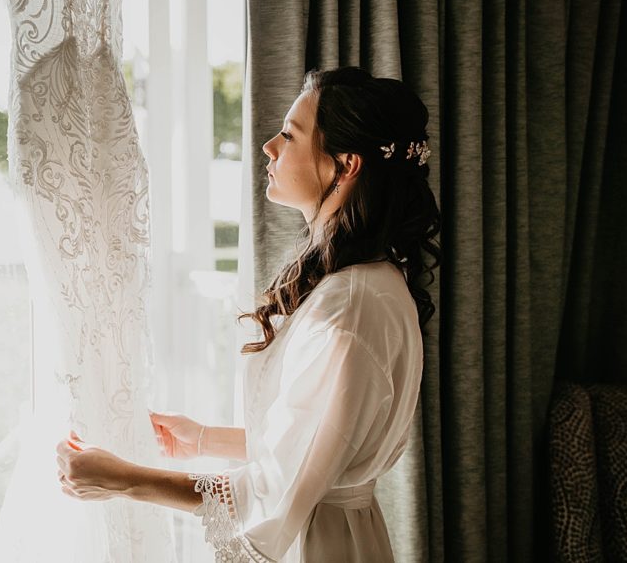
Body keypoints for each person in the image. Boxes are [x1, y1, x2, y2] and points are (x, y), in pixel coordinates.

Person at [55, 66, 441, 562]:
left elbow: (271, 493)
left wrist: (122, 480)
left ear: (344, 165)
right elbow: (320, 442)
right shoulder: (371, 284)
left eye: (290, 135)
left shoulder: (347, 309)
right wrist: (204, 439)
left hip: (314, 544)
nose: (268, 147)